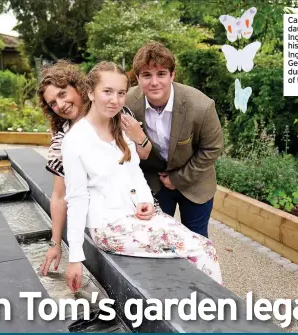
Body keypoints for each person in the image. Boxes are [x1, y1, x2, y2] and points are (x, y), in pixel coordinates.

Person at [61, 61, 224, 292]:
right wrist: (75, 258)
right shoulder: (76, 140)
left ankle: (197, 308)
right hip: (109, 226)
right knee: (201, 249)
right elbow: (76, 199)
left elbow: (135, 171)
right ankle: (215, 312)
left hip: (137, 215)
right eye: (107, 92)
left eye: (120, 93)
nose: (114, 100)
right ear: (90, 92)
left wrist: (146, 201)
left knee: (200, 246)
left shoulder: (120, 125)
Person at [37, 60, 152, 276]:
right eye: (52, 103)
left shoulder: (116, 110)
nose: (60, 105)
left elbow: (141, 157)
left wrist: (140, 137)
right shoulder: (62, 141)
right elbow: (61, 195)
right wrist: (56, 244)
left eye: (62, 94)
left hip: (139, 203)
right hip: (107, 220)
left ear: (79, 88)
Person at [125, 42, 224, 238]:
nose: (154, 82)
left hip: (195, 181)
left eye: (161, 74)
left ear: (172, 75)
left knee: (196, 241)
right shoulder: (126, 103)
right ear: (137, 78)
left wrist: (177, 179)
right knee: (155, 238)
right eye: (146, 75)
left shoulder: (201, 105)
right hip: (153, 180)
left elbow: (213, 148)